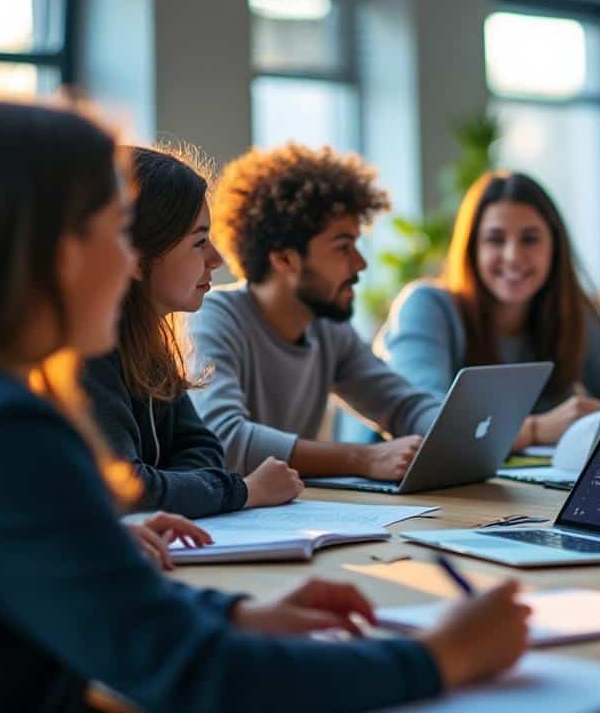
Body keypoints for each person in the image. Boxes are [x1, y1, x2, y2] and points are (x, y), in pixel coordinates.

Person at [0, 98, 529, 711]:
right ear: (49, 249)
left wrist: (237, 611)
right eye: (118, 231)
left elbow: (92, 600)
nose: (130, 261)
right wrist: (440, 655)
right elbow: (190, 672)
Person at [188, 144, 441, 481]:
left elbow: (402, 405)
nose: (360, 264)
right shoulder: (212, 319)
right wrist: (363, 458)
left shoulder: (326, 330)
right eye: (343, 247)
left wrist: (460, 431)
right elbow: (224, 439)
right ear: (285, 259)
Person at [81, 146, 302, 518]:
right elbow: (128, 489)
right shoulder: (88, 355)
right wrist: (244, 491)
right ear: (136, 256)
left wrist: (177, 490)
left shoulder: (149, 345)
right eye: (200, 242)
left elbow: (202, 447)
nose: (216, 258)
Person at [376, 171, 600, 449]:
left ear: (555, 248)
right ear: (472, 249)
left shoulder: (570, 311)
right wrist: (536, 429)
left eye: (530, 239)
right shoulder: (426, 306)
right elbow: (425, 424)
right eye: (495, 239)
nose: (513, 256)